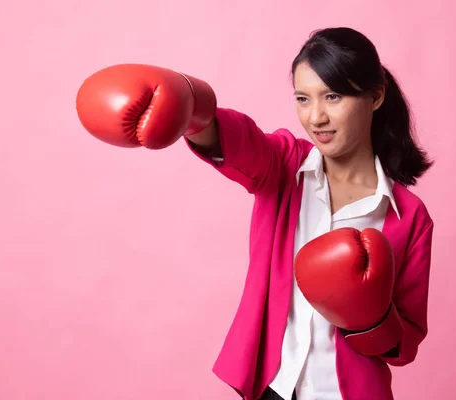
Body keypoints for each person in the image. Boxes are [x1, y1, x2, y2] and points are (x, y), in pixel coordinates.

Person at [76, 27, 434, 400]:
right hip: (272, 389)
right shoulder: (282, 165)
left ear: (375, 97)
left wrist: (369, 317)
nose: (316, 117)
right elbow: (236, 141)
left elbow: (406, 345)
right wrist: (188, 104)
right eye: (303, 98)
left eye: (332, 96)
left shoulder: (410, 217)